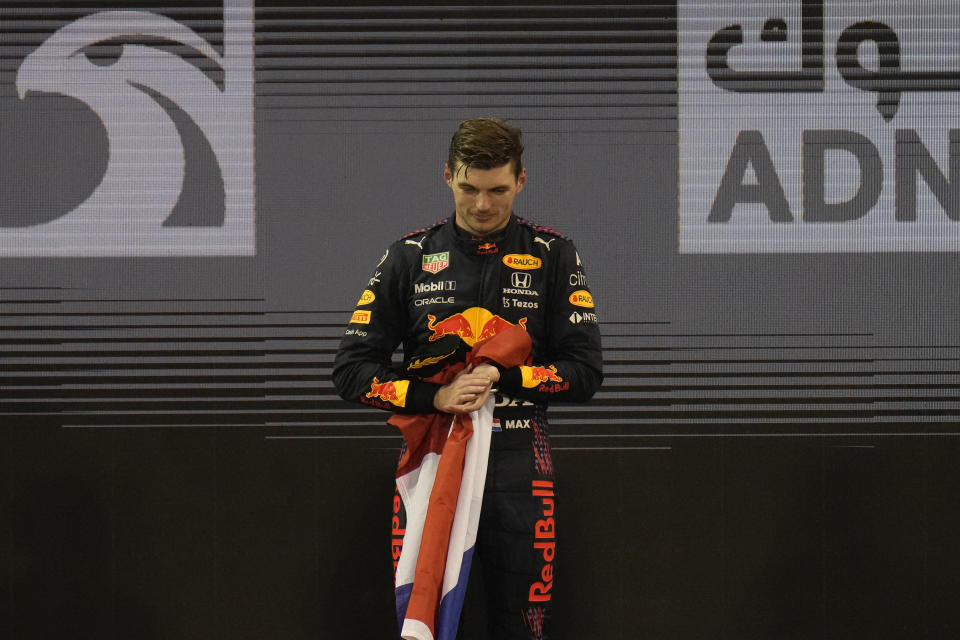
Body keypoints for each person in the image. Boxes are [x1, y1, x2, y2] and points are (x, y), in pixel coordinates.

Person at [333, 117, 602, 640]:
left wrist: (504, 375)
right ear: (447, 177)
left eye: (498, 190)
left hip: (522, 463)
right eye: (469, 189)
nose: (482, 205)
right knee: (423, 624)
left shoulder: (553, 254)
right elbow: (350, 371)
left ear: (521, 182)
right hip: (433, 462)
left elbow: (585, 374)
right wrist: (437, 395)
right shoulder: (408, 256)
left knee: (525, 626)